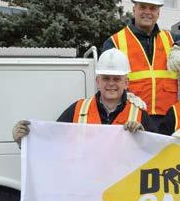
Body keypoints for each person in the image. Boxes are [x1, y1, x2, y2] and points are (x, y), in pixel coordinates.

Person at [102, 0, 180, 123]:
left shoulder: (170, 39)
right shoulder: (114, 42)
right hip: (131, 117)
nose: (147, 12)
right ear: (134, 9)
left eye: (152, 8)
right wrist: (126, 96)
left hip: (168, 120)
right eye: (142, 7)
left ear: (158, 13)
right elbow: (106, 81)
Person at [12, 48, 156, 147]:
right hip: (85, 187)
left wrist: (143, 137)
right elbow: (52, 141)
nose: (111, 84)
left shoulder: (139, 115)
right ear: (98, 81)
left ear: (126, 83)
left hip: (121, 188)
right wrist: (24, 140)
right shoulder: (77, 109)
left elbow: (156, 151)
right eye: (106, 78)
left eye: (116, 79)